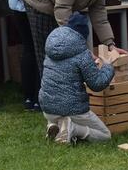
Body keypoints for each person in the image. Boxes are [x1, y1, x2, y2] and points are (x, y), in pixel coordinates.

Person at [40, 13, 115, 144]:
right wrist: (108, 67)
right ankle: (73, 128)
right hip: (72, 108)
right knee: (105, 135)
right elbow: (97, 84)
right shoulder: (82, 54)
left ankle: (54, 125)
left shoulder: (51, 47)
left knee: (57, 113)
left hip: (47, 107)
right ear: (83, 34)